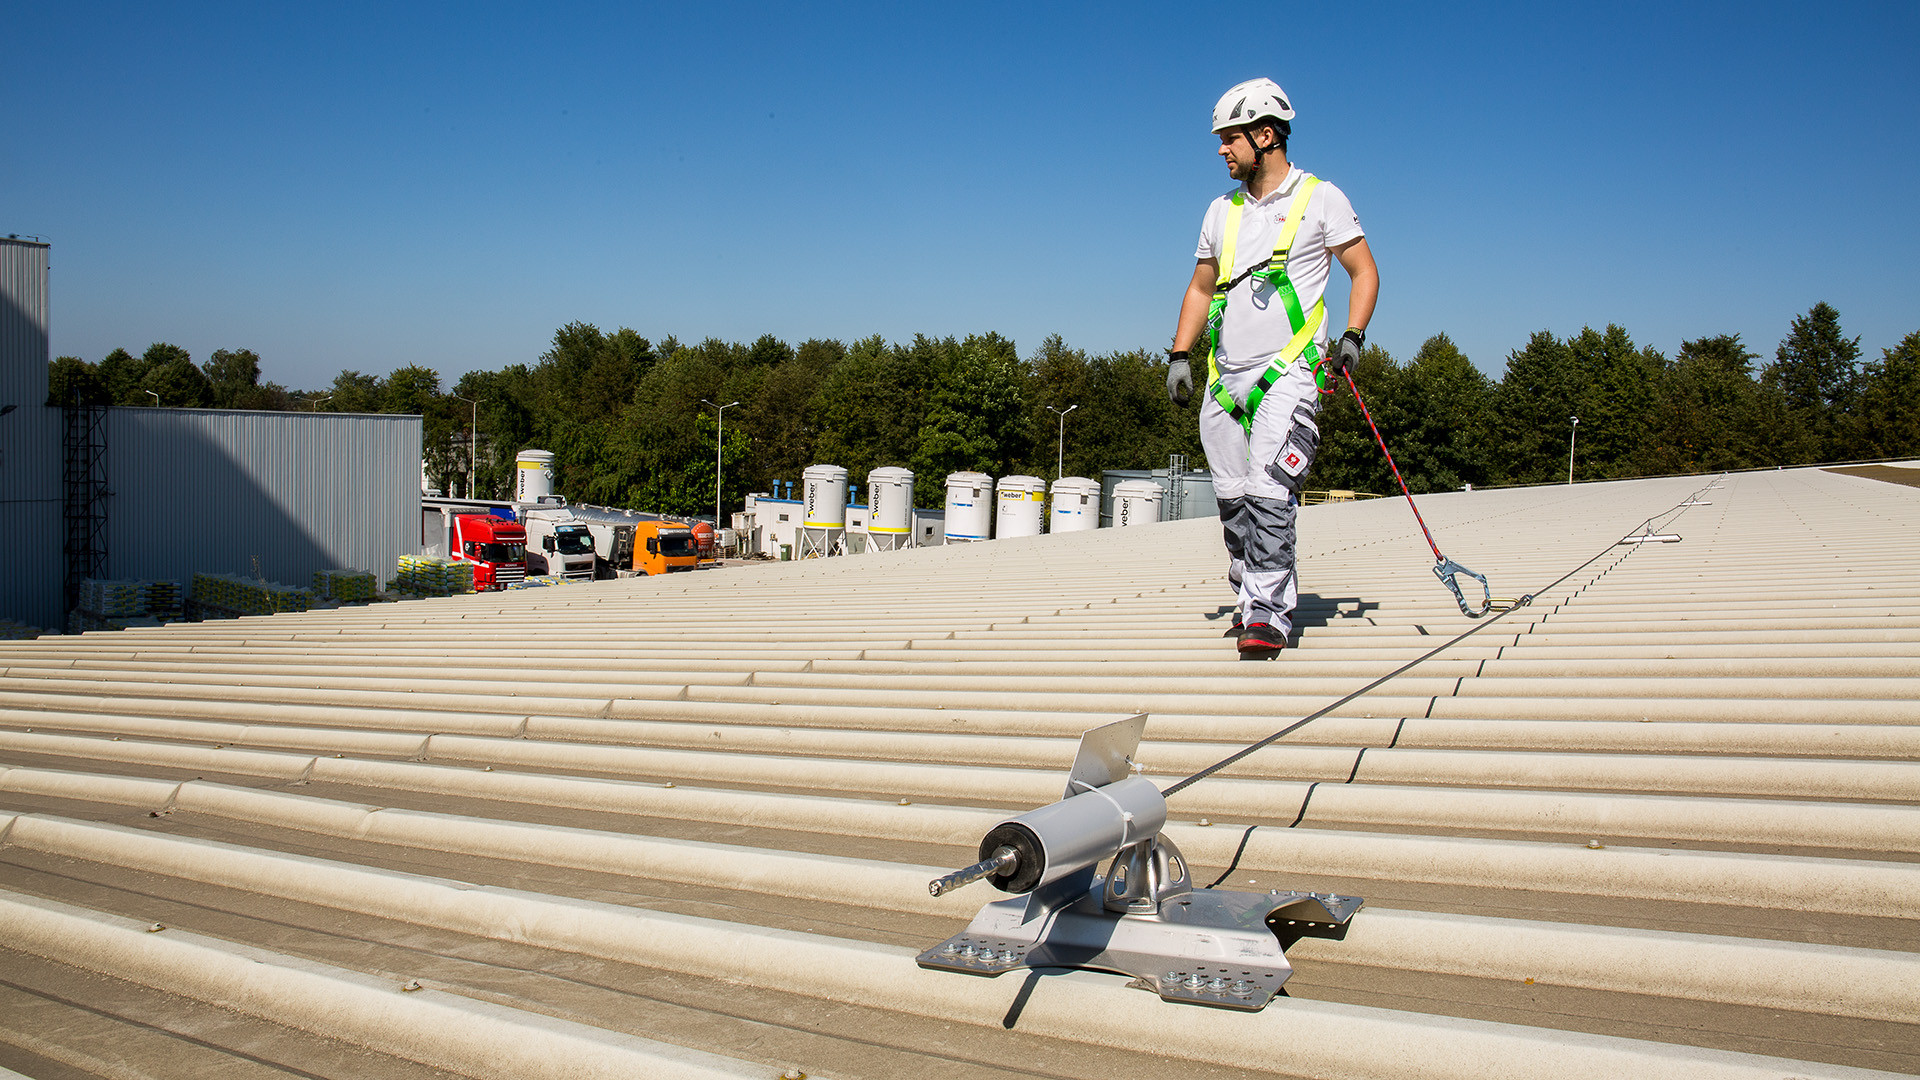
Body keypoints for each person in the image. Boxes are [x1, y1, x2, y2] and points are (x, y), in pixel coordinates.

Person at [1166, 77, 1378, 658]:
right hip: (1225, 379)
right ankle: (1247, 597)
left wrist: (1354, 336)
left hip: (1289, 372)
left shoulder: (1320, 199)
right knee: (1233, 500)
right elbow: (1201, 287)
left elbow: (1364, 271)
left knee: (1268, 491)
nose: (1220, 150)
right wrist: (1180, 354)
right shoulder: (1220, 211)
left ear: (1265, 135)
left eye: (1229, 138)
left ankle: (1269, 612)